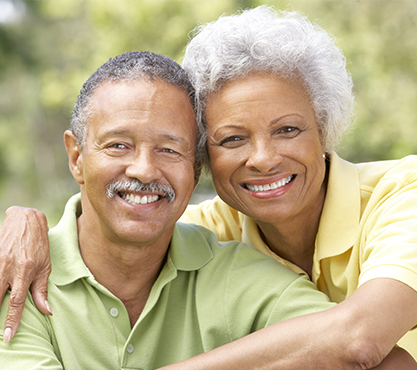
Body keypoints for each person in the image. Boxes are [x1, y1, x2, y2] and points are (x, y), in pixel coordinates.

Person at [1, 6, 417, 370]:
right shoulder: (203, 233)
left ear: (325, 130)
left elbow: (361, 341)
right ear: (204, 158)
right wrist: (23, 222)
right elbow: (128, 219)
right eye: (233, 138)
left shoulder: (403, 193)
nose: (263, 158)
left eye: (288, 130)